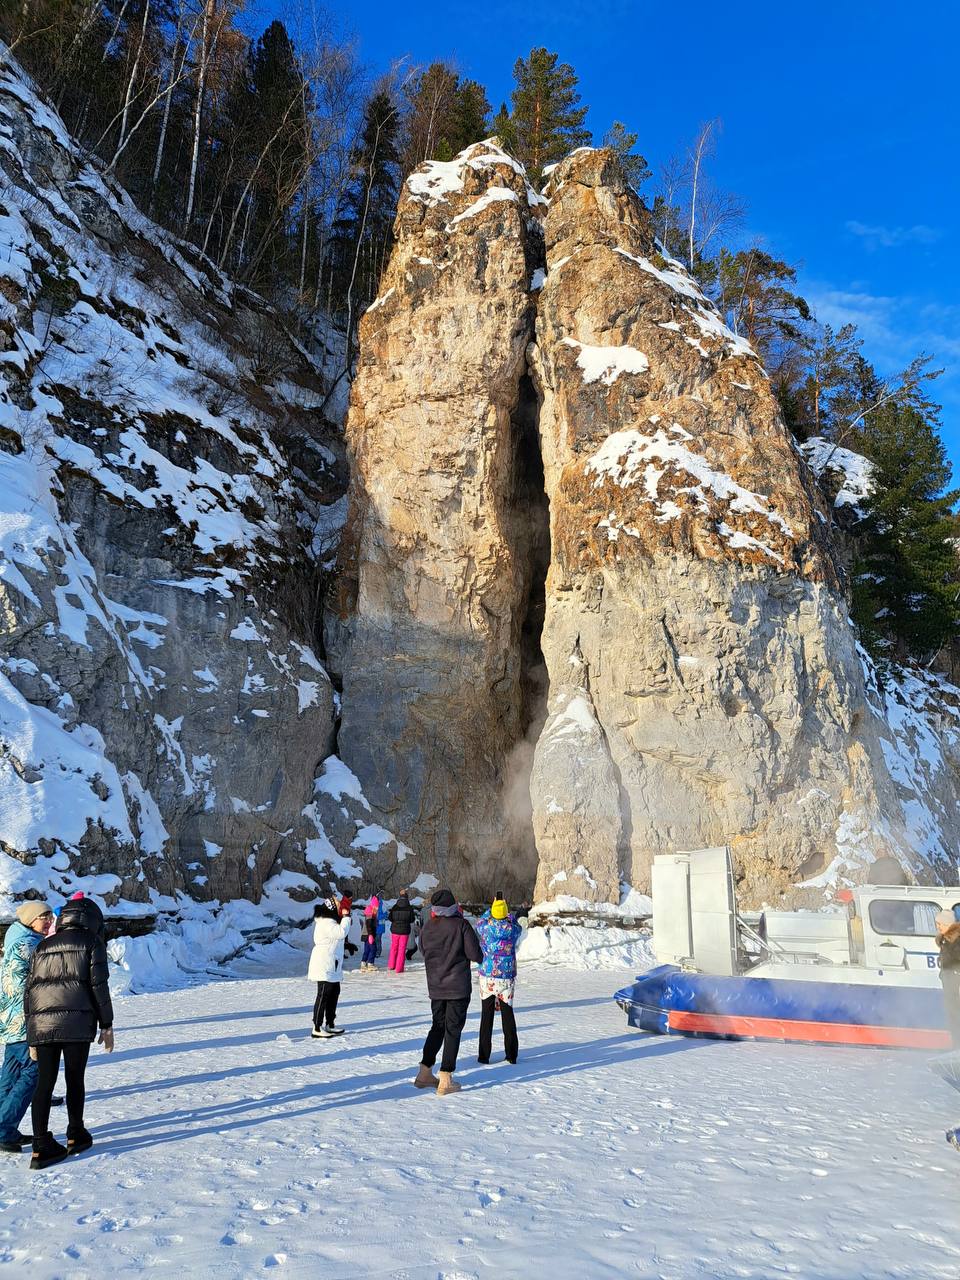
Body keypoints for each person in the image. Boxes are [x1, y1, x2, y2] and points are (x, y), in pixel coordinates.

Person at [23, 896, 114, 1169]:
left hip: (43, 1025)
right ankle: (76, 1133)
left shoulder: (43, 945)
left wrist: (31, 1034)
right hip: (77, 1023)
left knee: (45, 1082)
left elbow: (30, 991)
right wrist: (107, 1024)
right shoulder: (91, 943)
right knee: (75, 1078)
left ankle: (41, 1146)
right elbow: (99, 986)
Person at [414, 889, 482, 1096]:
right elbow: (475, 954)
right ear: (453, 906)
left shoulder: (427, 927)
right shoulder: (461, 925)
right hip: (457, 988)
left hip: (435, 986)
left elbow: (423, 951)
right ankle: (446, 1077)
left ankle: (424, 1072)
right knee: (452, 1030)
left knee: (437, 1027)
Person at [0, 901, 54, 1154]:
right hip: (25, 1020)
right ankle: (3, 1128)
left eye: (50, 918)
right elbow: (35, 987)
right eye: (44, 917)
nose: (49, 922)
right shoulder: (29, 946)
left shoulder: (15, 936)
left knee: (9, 1076)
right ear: (31, 918)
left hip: (10, 1020)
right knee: (33, 1074)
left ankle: (6, 1130)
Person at [474, 897, 523, 1066]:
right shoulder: (512, 929)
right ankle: (511, 1054)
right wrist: (506, 914)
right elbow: (518, 925)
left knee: (486, 1016)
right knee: (507, 1015)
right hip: (506, 977)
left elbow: (479, 921)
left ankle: (483, 1055)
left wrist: (491, 910)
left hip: (487, 976)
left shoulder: (485, 927)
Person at [307, 901, 351, 1038]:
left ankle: (330, 1023)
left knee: (334, 992)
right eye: (338, 905)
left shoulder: (329, 921)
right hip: (325, 963)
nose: (340, 907)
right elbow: (341, 932)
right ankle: (317, 1026)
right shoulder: (326, 922)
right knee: (323, 994)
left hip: (332, 963)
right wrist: (346, 917)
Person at [936, 909, 960, 1047]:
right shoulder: (945, 940)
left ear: (949, 924)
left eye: (941, 924)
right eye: (937, 923)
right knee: (952, 1016)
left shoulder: (956, 941)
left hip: (956, 983)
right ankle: (956, 1046)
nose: (938, 927)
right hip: (949, 982)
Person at [388, 890, 416, 974]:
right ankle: (399, 968)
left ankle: (391, 965)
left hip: (395, 930)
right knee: (402, 949)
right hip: (404, 931)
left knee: (394, 948)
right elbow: (412, 919)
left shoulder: (394, 907)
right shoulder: (410, 908)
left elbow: (390, 918)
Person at [361, 894, 380, 972]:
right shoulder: (370, 912)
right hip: (369, 934)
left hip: (367, 934)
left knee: (367, 949)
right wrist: (371, 935)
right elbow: (369, 925)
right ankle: (370, 964)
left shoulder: (371, 911)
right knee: (373, 949)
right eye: (376, 907)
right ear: (373, 906)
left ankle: (363, 963)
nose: (377, 909)